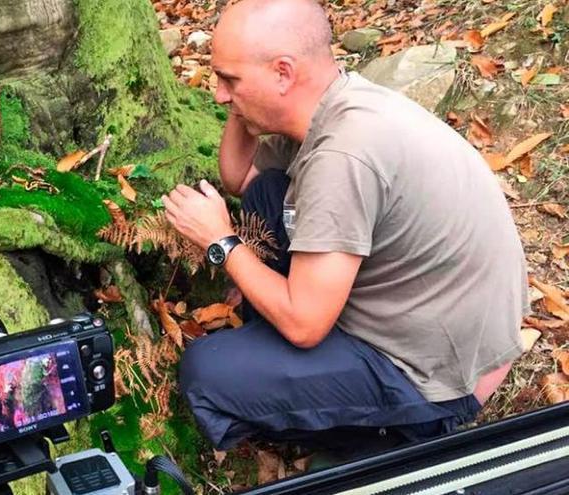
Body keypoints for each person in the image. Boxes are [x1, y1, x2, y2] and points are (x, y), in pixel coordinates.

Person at [162, 0, 528, 455]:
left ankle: (381, 440)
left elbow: (304, 326)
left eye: (230, 80)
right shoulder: (334, 102)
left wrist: (222, 243)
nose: (217, 95)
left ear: (283, 73)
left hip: (436, 379)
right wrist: (242, 100)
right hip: (425, 319)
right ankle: (304, 369)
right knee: (266, 194)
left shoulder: (343, 157)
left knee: (208, 374)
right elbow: (241, 180)